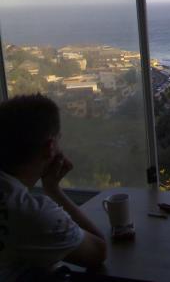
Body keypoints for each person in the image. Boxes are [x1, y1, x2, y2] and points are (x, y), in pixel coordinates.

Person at [0, 94, 106, 281]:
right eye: (59, 139)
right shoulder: (30, 213)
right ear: (50, 147)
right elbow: (98, 252)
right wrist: (53, 190)